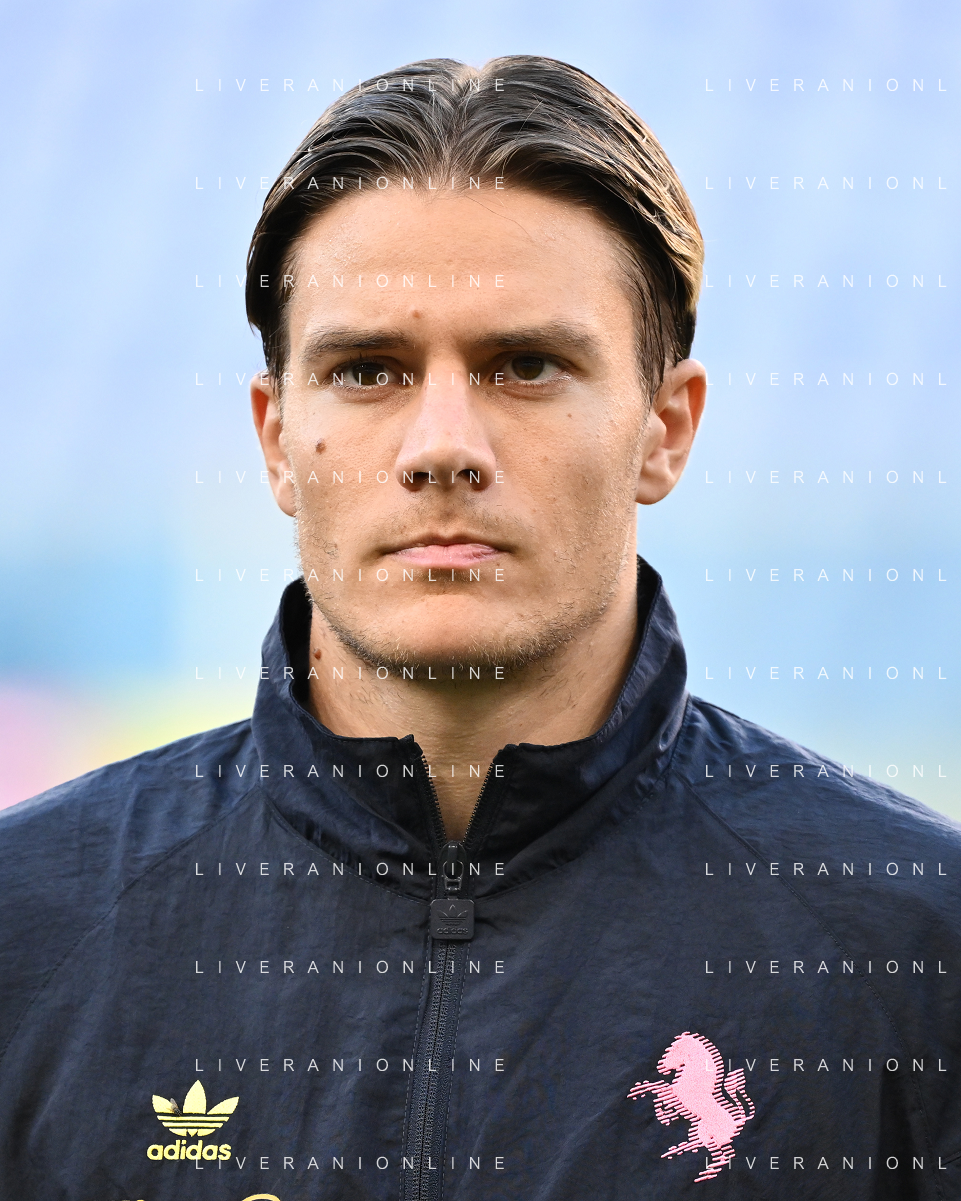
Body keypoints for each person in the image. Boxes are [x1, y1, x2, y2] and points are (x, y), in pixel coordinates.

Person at [1, 55, 958, 1201]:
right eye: (368, 370)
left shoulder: (913, 944)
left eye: (525, 366)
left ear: (663, 428)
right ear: (275, 439)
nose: (442, 445)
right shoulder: (30, 924)